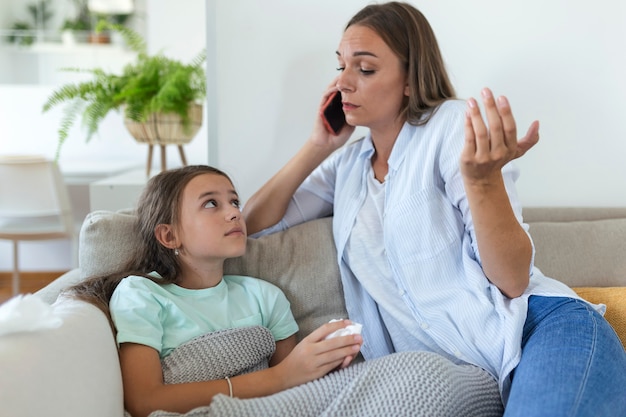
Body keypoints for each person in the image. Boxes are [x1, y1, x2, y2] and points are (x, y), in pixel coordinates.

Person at [243, 2, 626, 416]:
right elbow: (252, 225)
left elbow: (513, 281)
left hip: (538, 331)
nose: (343, 84)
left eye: (365, 69)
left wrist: (483, 182)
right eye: (340, 66)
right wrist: (319, 144)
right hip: (447, 374)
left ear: (410, 79)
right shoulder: (347, 167)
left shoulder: (450, 126)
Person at [68, 165, 363, 417]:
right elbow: (144, 401)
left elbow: (291, 397)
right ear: (169, 235)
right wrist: (279, 376)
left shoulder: (266, 297)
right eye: (211, 204)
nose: (235, 213)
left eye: (234, 202)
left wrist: (324, 360)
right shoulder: (141, 294)